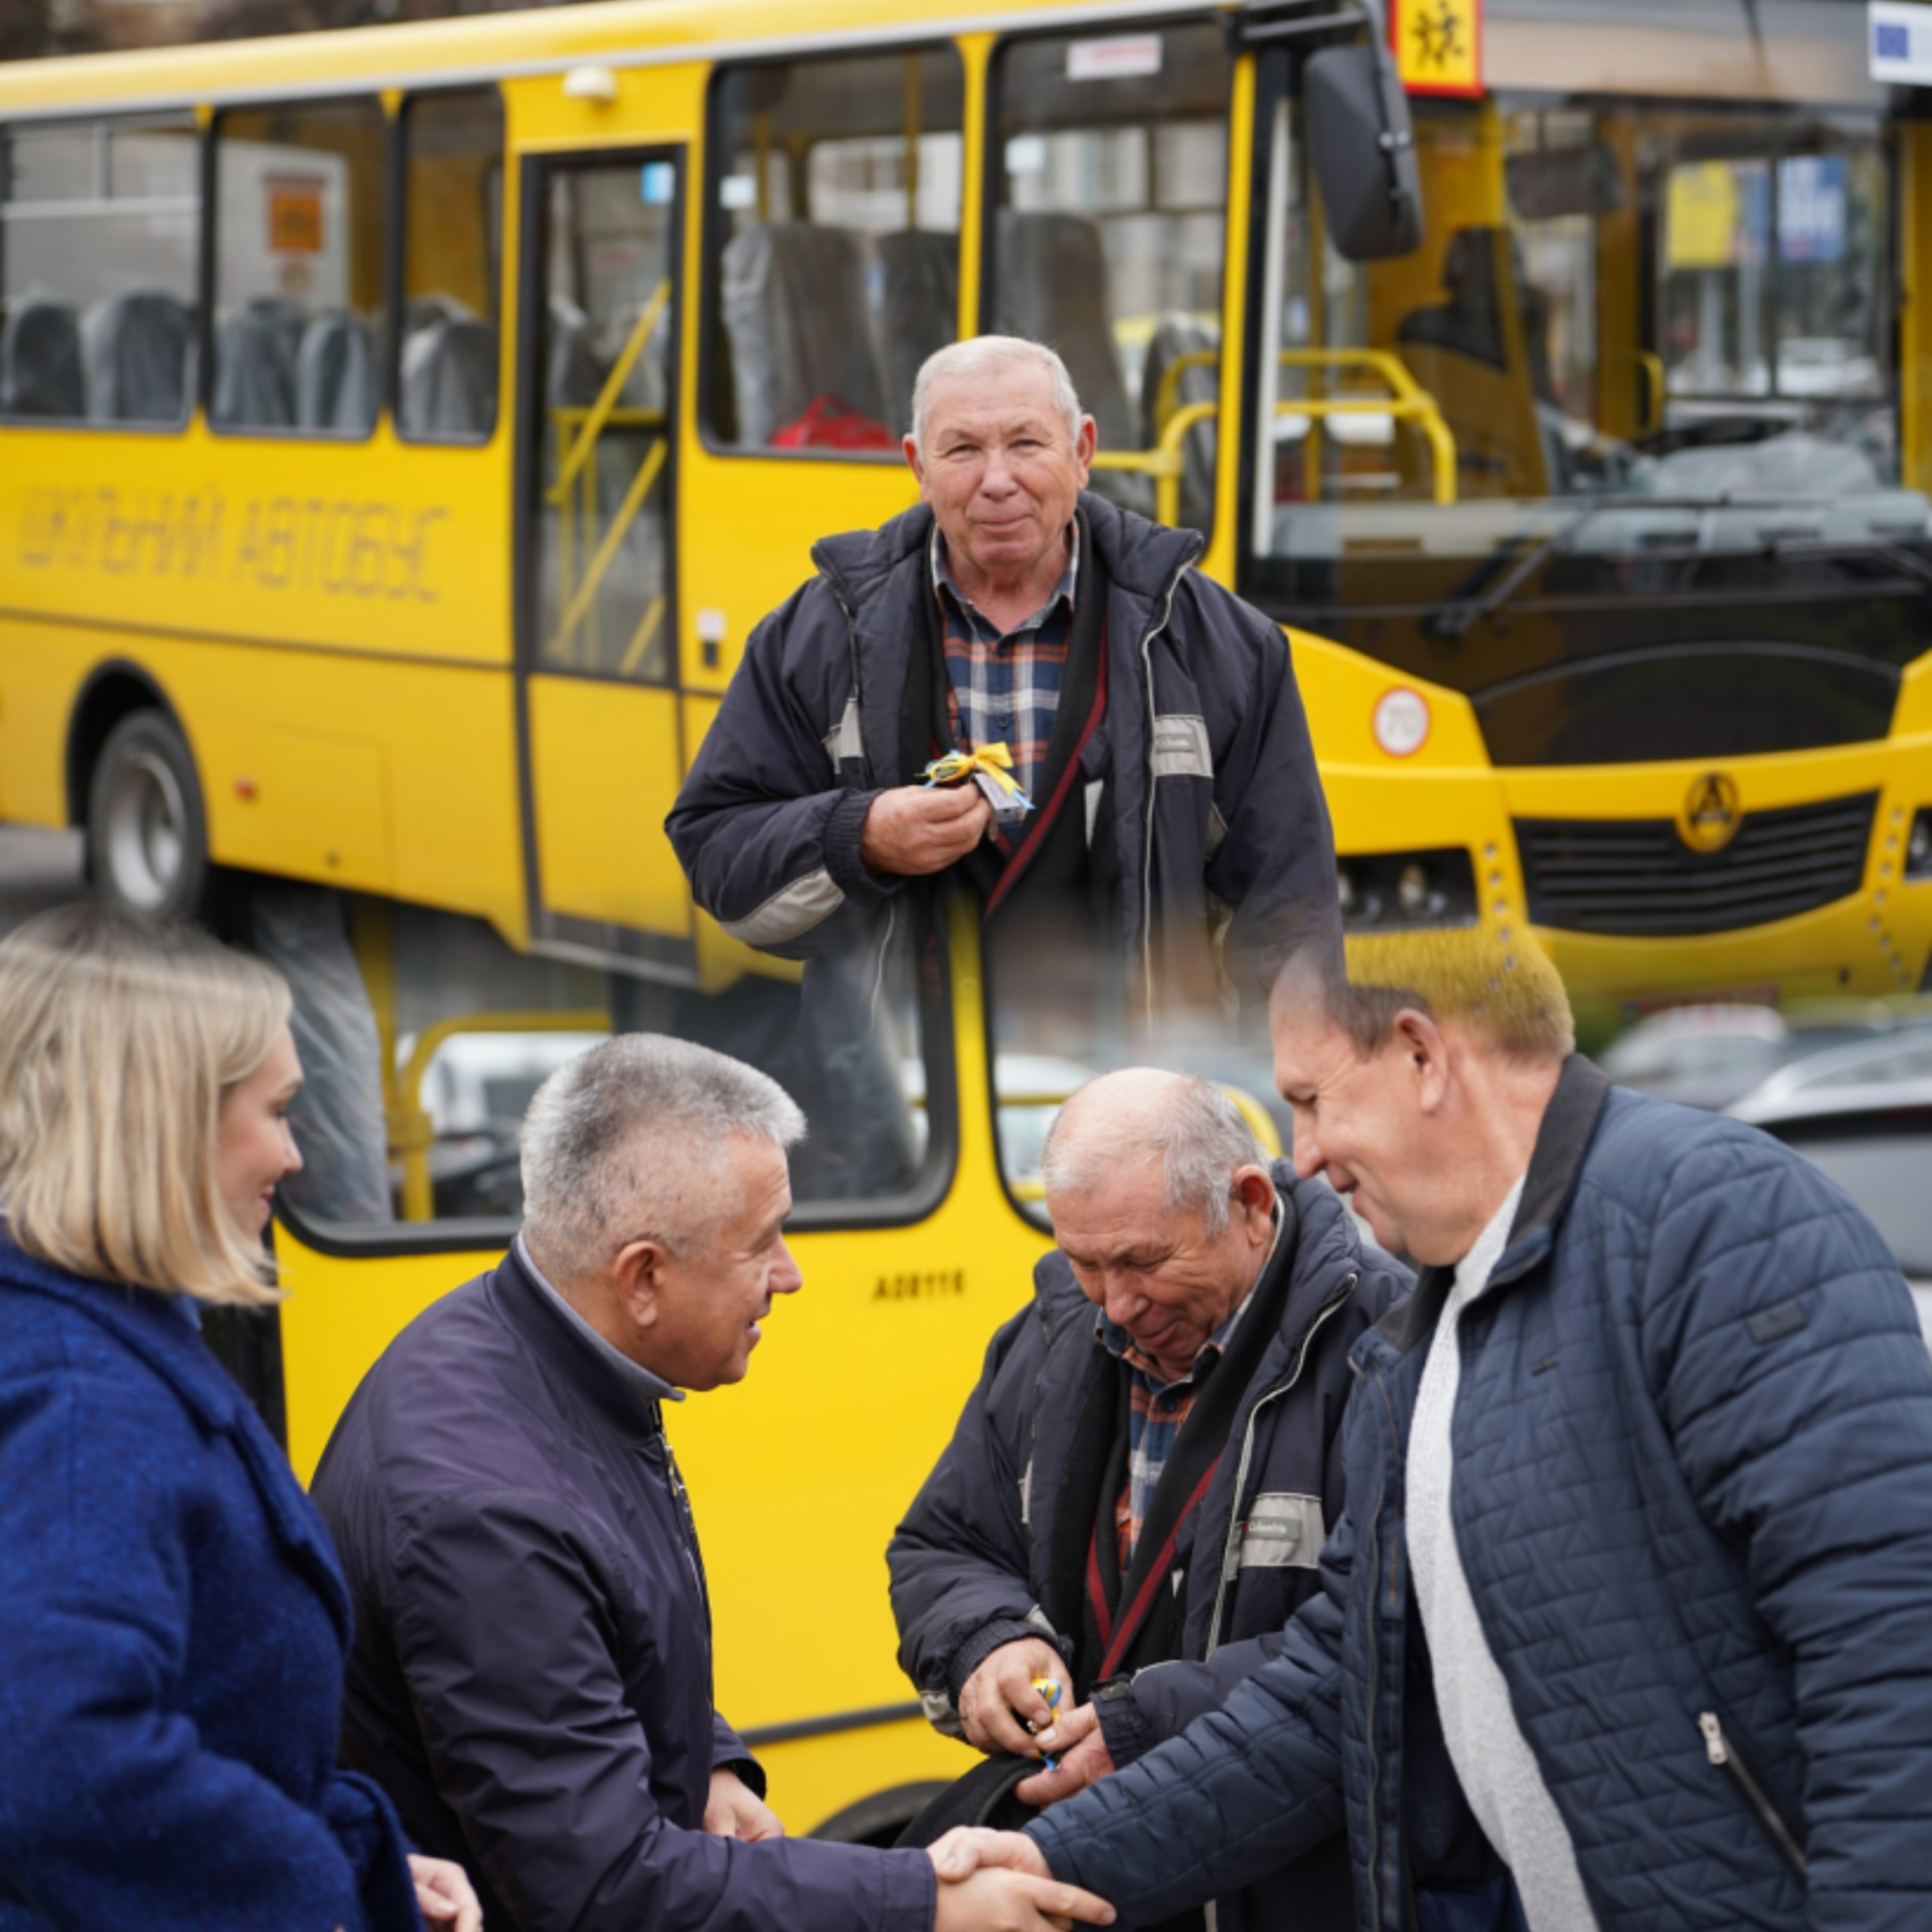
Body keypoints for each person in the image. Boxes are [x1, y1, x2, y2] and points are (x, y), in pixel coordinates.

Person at [929, 927, 1932, 1929]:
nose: (1304, 1153)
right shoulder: (1429, 1331)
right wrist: (1046, 1855)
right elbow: (1334, 1697)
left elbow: (1888, 1652)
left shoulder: (1714, 1217)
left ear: (1420, 1054)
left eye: (1313, 1098)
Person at [310, 1033, 1116, 1932]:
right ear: (644, 1276)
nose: (791, 1276)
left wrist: (707, 1766)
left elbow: (596, 1639)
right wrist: (923, 1904)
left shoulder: (531, 1350)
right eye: (763, 1244)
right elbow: (601, 1888)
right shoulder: (486, 1514)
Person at [0, 902, 479, 1932]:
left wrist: (367, 1856)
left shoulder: (83, 1345)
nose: (295, 1154)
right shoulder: (87, 1402)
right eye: (278, 1109)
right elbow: (64, 1759)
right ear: (160, 1125)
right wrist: (321, 1896)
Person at [666, 334, 1341, 1033]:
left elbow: (1289, 917)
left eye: (1026, 443)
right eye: (962, 451)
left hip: (1140, 1110)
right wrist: (858, 837)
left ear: (1081, 453)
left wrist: (1275, 1102)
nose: (997, 480)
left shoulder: (1222, 645)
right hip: (906, 1108)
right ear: (917, 466)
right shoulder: (817, 635)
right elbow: (719, 851)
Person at [889, 1070, 1407, 1931]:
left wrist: (1145, 1725)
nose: (1116, 1304)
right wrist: (987, 1642)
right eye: (1083, 1261)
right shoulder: (1051, 1335)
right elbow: (944, 1544)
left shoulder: (1383, 1342)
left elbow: (1379, 1654)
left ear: (1248, 1205)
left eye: (1142, 1261)